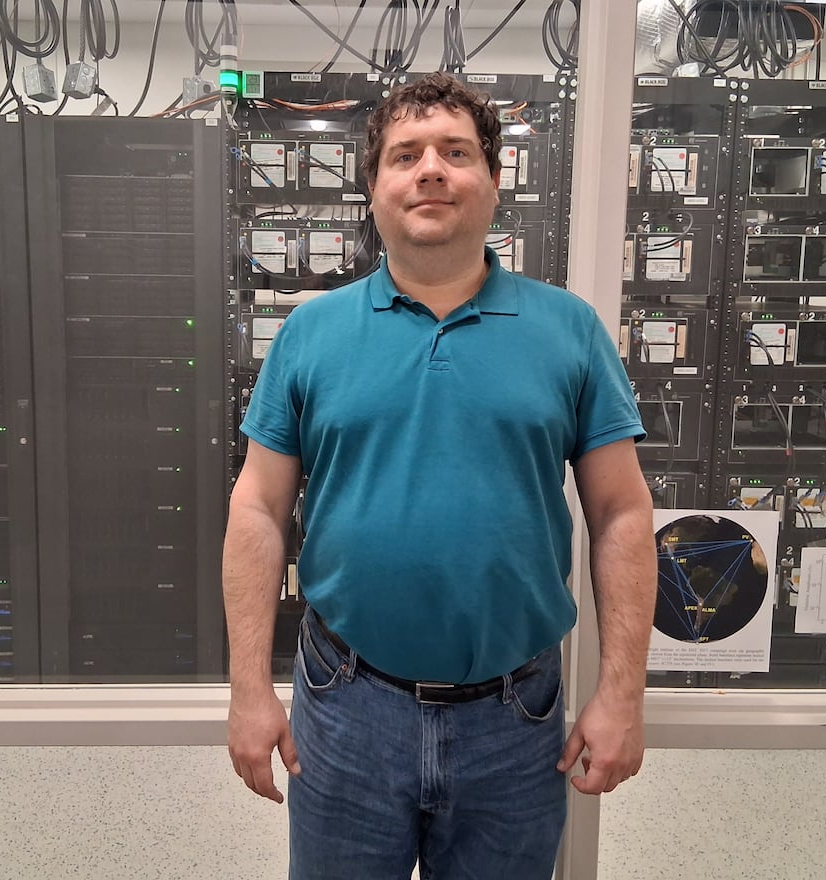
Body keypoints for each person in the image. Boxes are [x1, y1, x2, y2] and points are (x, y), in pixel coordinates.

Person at [223, 72, 656, 880]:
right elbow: (256, 508)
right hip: (347, 705)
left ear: (493, 183)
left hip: (515, 717)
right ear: (375, 187)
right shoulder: (311, 333)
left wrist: (621, 692)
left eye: (456, 153)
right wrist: (249, 689)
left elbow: (623, 514)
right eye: (405, 155)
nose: (431, 170)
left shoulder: (569, 331)